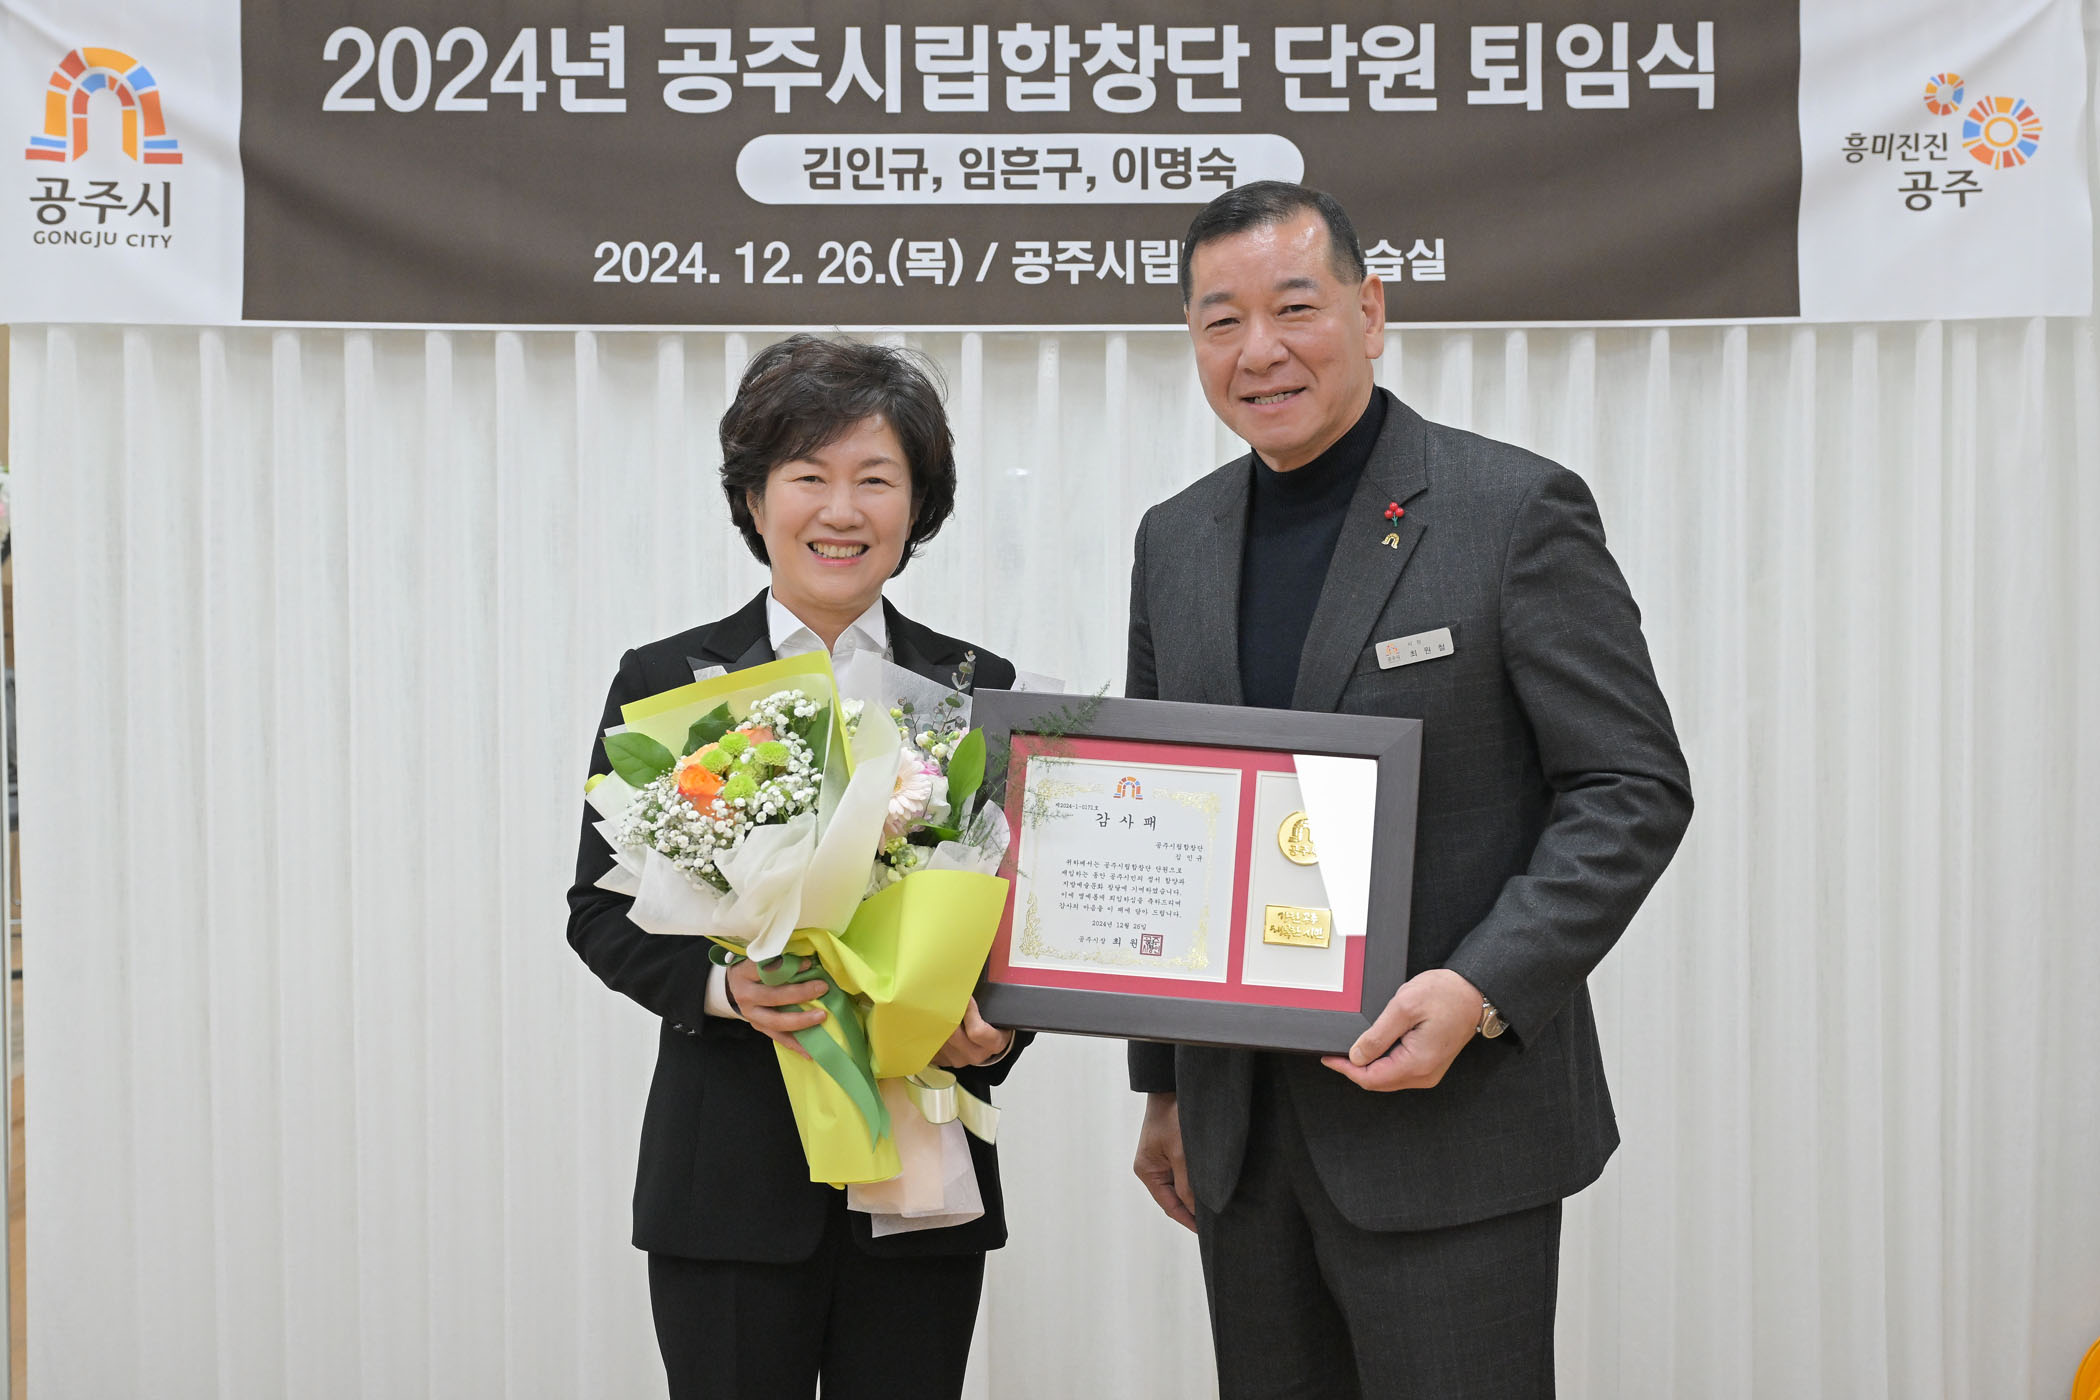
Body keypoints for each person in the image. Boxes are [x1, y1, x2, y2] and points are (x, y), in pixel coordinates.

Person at [1125, 182, 1694, 1398]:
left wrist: (1482, 987)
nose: (1259, 350)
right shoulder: (1175, 538)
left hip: (1453, 1126)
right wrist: (1165, 1083)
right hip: (1243, 1138)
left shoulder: (1510, 510)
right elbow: (1171, 808)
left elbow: (1630, 783)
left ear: (1371, 311)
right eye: (1221, 321)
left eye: (1294, 307)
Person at [567, 334, 1025, 1400]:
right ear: (754, 496)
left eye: (877, 479)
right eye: (808, 476)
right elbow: (599, 910)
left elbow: (1013, 922)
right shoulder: (668, 679)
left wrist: (997, 1029)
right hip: (727, 1179)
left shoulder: (976, 685)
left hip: (920, 1176)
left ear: (919, 504)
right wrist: (725, 989)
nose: (841, 509)